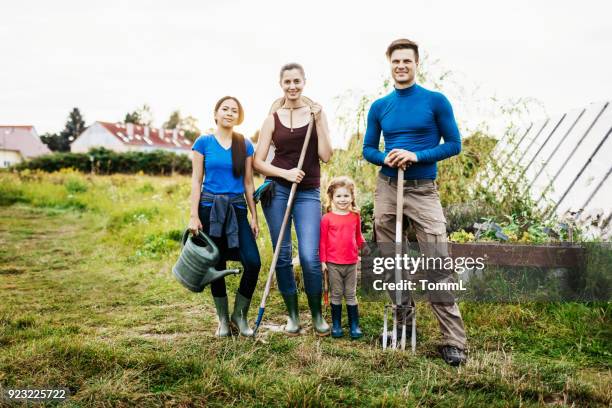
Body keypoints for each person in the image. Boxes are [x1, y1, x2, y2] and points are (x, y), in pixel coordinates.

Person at [362, 39, 467, 365]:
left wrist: (416, 154)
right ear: (390, 65)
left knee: (436, 260)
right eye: (396, 61)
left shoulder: (435, 102)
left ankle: (454, 340)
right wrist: (387, 158)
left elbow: (454, 144)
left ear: (416, 64)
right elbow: (368, 149)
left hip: (422, 189)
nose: (401, 66)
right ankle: (403, 325)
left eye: (407, 61)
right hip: (388, 187)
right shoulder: (380, 106)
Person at [253, 63, 334, 336]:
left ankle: (317, 317)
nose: (292, 86)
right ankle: (292, 318)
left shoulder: (315, 115)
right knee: (283, 255)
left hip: (308, 192)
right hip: (277, 191)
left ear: (304, 82)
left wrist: (320, 121)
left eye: (297, 81)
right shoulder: (271, 119)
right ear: (281, 83)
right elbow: (258, 162)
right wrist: (285, 173)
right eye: (287, 81)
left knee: (310, 257)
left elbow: (326, 155)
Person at [188, 96, 261, 337]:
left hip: (237, 209)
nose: (229, 113)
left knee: (253, 262)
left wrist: (254, 217)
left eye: (234, 110)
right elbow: (196, 181)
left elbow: (249, 183)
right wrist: (193, 216)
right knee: (215, 263)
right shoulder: (203, 142)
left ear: (238, 116)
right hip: (210, 208)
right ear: (216, 114)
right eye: (225, 109)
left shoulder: (245, 144)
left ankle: (239, 316)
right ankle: (222, 320)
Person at [320, 176, 365, 339]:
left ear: (352, 197)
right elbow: (323, 241)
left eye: (346, 195)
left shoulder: (355, 216)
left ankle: (354, 325)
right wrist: (323, 261)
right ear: (331, 197)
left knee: (351, 294)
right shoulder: (327, 219)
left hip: (351, 262)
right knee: (337, 293)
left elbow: (359, 237)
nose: (342, 199)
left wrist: (367, 251)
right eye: (338, 196)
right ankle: (337, 325)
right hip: (333, 263)